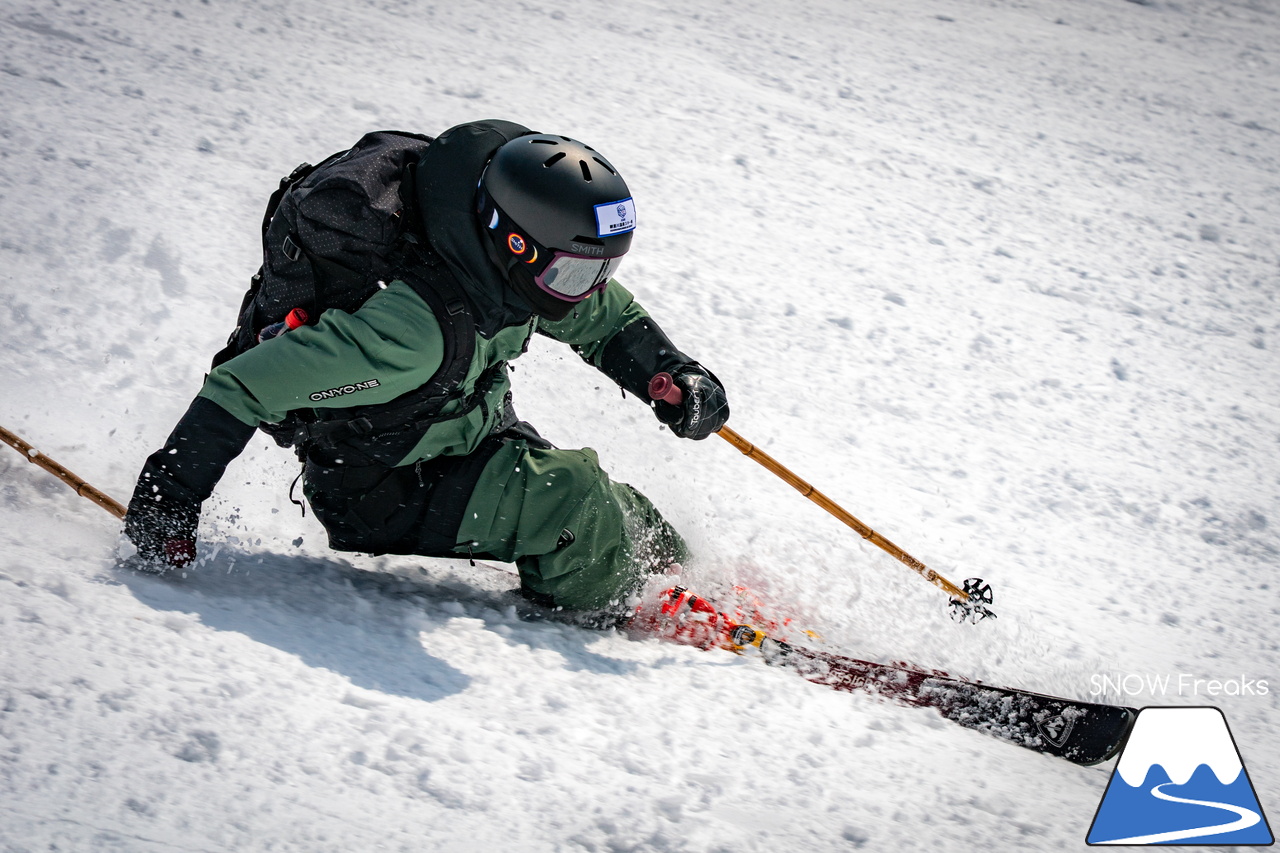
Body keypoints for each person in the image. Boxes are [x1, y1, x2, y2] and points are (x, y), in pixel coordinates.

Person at [122, 119, 730, 621]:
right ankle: (617, 605)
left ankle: (670, 571)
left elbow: (601, 315)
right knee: (571, 499)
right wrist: (166, 501)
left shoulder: (500, 263)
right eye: (575, 275)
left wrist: (671, 372)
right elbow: (244, 384)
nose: (587, 291)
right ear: (514, 243)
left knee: (620, 508)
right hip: (382, 481)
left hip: (462, 426)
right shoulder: (410, 334)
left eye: (601, 270)